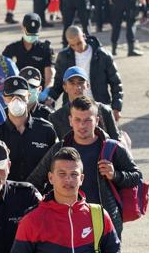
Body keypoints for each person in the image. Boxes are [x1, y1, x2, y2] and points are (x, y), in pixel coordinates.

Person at [28, 95, 140, 239]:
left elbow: (136, 176)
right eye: (78, 120)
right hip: (67, 223)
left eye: (88, 120)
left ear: (97, 121)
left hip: (105, 222)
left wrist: (115, 175)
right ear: (70, 121)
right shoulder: (59, 149)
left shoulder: (112, 148)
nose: (82, 125)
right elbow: (34, 181)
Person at [0, 76, 57, 182]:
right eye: (11, 96)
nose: (16, 100)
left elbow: (56, 166)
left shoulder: (46, 131)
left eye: (20, 95)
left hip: (40, 196)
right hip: (8, 196)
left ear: (28, 96)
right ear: (4, 99)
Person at [48, 26, 123, 122]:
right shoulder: (64, 57)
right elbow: (59, 83)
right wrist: (50, 98)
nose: (77, 47)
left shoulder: (103, 55)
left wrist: (116, 108)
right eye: (72, 45)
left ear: (84, 36)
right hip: (73, 109)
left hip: (98, 108)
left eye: (79, 43)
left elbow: (116, 83)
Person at [49, 66, 120, 141]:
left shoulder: (104, 111)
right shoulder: (56, 118)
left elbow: (116, 144)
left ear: (88, 85)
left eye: (81, 82)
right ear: (65, 87)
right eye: (72, 83)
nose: (77, 87)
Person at [2, 13, 56, 95]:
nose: (31, 37)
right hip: (17, 92)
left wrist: (45, 93)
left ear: (40, 29)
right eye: (29, 33)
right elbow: (3, 73)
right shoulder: (12, 49)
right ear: (22, 27)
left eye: (34, 34)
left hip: (38, 92)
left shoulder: (45, 50)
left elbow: (50, 77)